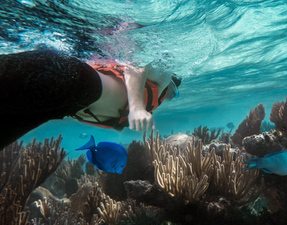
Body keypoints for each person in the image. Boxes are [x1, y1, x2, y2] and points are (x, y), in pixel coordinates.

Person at [0, 48, 181, 151]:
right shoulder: (164, 80)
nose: (172, 97)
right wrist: (137, 107)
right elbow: (139, 63)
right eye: (176, 93)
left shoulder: (153, 99)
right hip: (69, 78)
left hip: (60, 107)